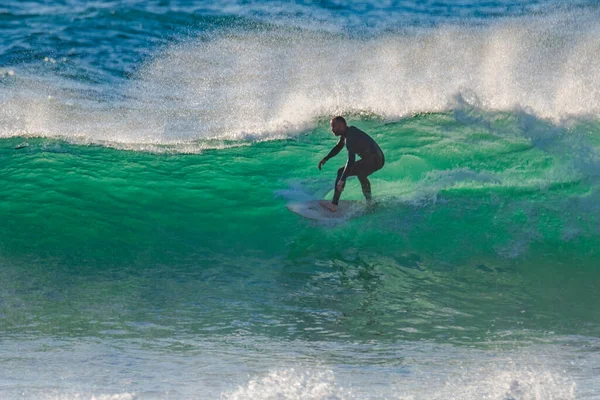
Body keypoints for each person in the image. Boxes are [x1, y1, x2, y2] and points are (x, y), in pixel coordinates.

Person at [318, 116, 385, 212]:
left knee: (341, 172)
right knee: (361, 174)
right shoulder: (349, 132)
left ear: (341, 125)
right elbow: (338, 147)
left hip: (374, 159)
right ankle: (370, 202)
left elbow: (351, 161)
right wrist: (326, 158)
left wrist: (342, 180)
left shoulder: (350, 138)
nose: (332, 130)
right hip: (378, 159)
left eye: (334, 127)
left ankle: (334, 204)